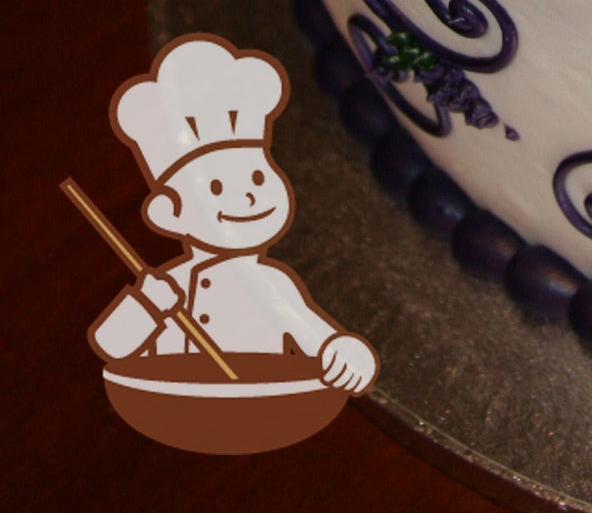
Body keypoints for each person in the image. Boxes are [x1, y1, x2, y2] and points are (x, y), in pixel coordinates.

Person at [89, 33, 377, 391]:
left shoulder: (273, 286)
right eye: (216, 188)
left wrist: (348, 353)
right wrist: (148, 304)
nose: (248, 197)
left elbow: (320, 338)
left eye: (257, 177)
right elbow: (111, 344)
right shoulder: (171, 287)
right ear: (169, 213)